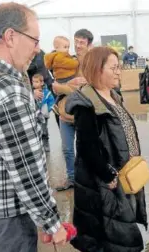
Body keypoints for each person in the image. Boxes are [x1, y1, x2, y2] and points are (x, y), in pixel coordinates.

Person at [0, 3, 67, 252]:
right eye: (34, 40)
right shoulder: (8, 93)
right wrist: (52, 222)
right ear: (10, 36)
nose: (38, 49)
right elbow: (27, 171)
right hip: (6, 212)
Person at [65, 46, 147, 252]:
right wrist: (107, 174)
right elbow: (86, 146)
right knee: (105, 234)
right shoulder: (86, 103)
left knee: (118, 231)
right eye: (114, 67)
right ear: (97, 70)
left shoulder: (113, 95)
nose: (119, 71)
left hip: (121, 177)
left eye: (118, 67)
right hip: (103, 183)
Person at [52, 29, 93, 191]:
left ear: (89, 44)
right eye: (76, 41)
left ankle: (87, 178)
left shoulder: (92, 63)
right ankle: (71, 178)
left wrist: (63, 87)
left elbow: (86, 90)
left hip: (84, 114)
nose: (77, 45)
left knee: (86, 148)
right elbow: (55, 86)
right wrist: (63, 87)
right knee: (67, 149)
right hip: (64, 113)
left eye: (81, 42)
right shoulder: (69, 62)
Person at [32, 73, 55, 152]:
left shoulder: (47, 92)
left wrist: (47, 110)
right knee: (35, 130)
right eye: (33, 82)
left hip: (43, 115)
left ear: (42, 83)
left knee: (44, 129)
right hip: (34, 114)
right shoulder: (32, 92)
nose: (34, 83)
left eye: (36, 82)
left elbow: (51, 101)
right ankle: (39, 145)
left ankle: (46, 143)